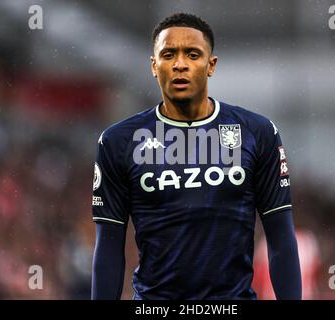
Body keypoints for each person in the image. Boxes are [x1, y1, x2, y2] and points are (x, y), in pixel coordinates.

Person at [91, 13, 301, 300]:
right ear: (154, 66)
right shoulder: (118, 142)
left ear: (210, 65)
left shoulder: (257, 133)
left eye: (192, 54)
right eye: (168, 54)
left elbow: (281, 238)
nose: (180, 64)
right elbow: (109, 249)